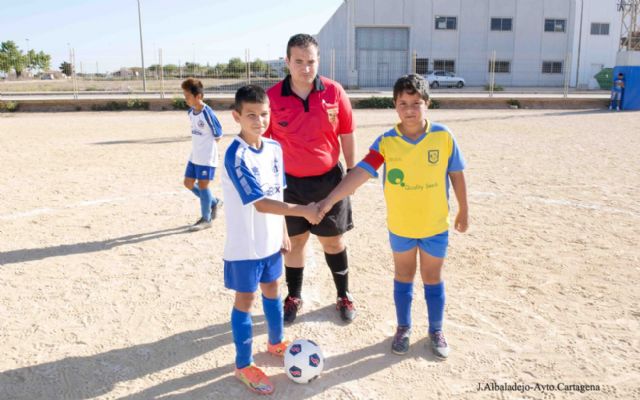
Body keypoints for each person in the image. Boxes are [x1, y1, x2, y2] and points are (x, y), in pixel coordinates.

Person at [317, 74, 469, 358]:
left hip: (435, 225)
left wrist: (464, 209)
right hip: (401, 226)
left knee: (432, 277)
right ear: (395, 106)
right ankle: (403, 327)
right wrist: (330, 199)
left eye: (416, 103)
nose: (410, 109)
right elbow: (360, 172)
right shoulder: (388, 141)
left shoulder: (443, 136)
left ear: (428, 103)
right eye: (403, 103)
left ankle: (436, 329)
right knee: (403, 275)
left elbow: (457, 175)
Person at [222, 85, 321, 394]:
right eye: (251, 115)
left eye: (264, 114)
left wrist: (281, 230)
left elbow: (276, 192)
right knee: (246, 300)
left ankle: (276, 342)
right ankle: (243, 364)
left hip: (269, 242)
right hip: (245, 246)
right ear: (236, 116)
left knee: (273, 289)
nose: (259, 120)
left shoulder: (275, 149)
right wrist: (303, 210)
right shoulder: (235, 155)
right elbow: (261, 202)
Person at [265, 33, 357, 324]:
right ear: (287, 62)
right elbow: (266, 144)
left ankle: (343, 294)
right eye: (299, 61)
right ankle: (294, 295)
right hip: (289, 185)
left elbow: (346, 132)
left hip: (329, 182)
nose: (306, 68)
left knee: (333, 242)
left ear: (319, 60)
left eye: (311, 61)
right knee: (296, 242)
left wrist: (352, 171)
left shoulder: (334, 91)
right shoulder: (272, 97)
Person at [181, 78, 224, 231]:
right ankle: (213, 201)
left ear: (198, 96)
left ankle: (206, 219)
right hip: (195, 156)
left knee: (204, 185)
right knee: (188, 183)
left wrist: (208, 149)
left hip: (206, 157)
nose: (185, 99)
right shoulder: (190, 112)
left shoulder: (207, 113)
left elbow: (218, 133)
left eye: (187, 96)